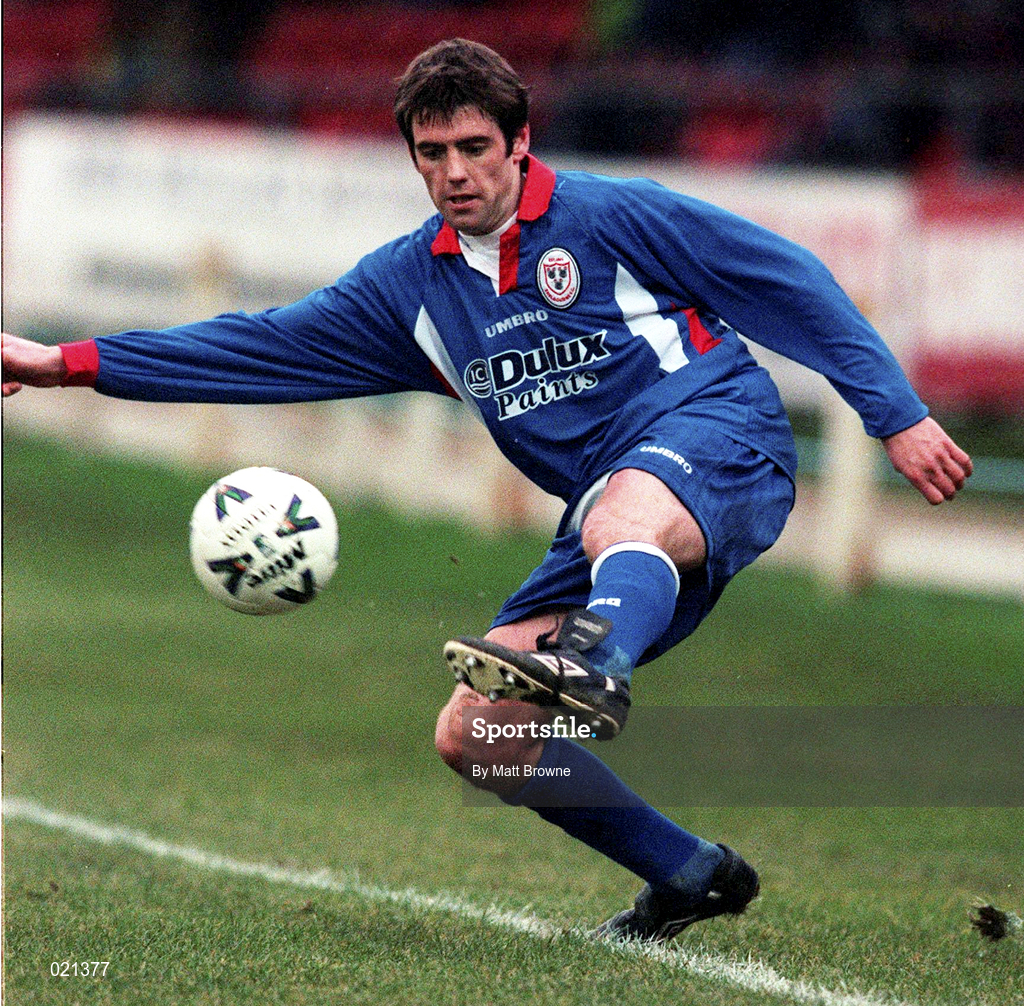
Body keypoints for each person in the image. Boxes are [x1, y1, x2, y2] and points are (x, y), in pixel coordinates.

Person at [1, 39, 972, 942]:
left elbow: (786, 277)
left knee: (625, 513)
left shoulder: (610, 217)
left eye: (474, 147)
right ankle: (689, 874)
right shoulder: (409, 289)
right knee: (479, 734)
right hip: (607, 513)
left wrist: (893, 412)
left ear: (519, 142)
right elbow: (257, 346)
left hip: (722, 435)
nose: (455, 171)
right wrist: (65, 363)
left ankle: (597, 659)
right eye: (432, 153)